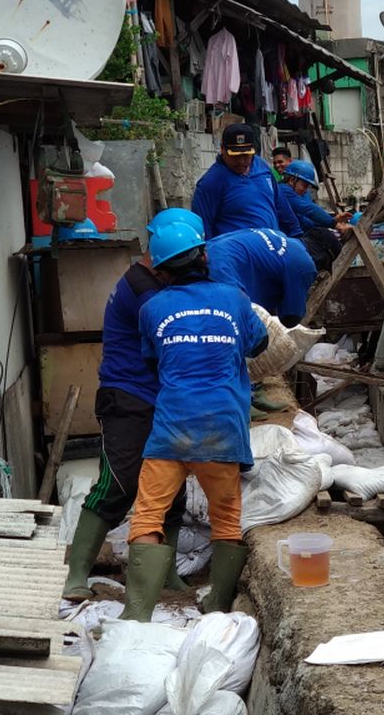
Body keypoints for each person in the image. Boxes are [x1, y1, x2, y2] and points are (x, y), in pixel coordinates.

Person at [120, 219, 268, 620]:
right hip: (221, 429)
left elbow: (153, 360)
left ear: (162, 270)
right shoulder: (235, 299)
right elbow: (261, 343)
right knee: (226, 518)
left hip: (170, 429)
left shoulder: (151, 308)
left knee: (148, 515)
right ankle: (218, 604)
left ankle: (136, 615)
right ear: (204, 255)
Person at [61, 210, 196, 601]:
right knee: (117, 484)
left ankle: (167, 574)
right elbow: (175, 336)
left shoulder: (158, 281)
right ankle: (77, 574)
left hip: (161, 397)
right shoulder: (143, 289)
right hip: (128, 397)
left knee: (172, 488)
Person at [192, 123, 302, 240]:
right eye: (235, 156)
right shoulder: (211, 182)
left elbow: (281, 205)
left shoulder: (262, 167)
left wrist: (297, 234)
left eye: (246, 155)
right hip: (236, 254)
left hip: (272, 249)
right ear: (222, 149)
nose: (241, 161)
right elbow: (202, 228)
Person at [207, 227, 317, 328]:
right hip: (222, 266)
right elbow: (291, 318)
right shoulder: (304, 263)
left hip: (208, 250)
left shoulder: (278, 235)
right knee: (236, 325)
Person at [278, 159, 349, 232]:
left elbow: (308, 223)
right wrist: (337, 225)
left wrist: (333, 220)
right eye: (304, 186)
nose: (305, 190)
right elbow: (310, 210)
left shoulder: (300, 194)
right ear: (292, 180)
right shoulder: (283, 191)